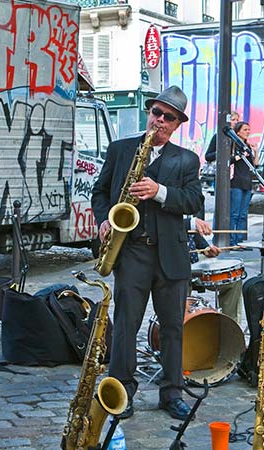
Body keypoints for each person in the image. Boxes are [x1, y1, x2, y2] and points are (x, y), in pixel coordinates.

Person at [91, 86, 204, 421]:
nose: (161, 121)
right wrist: (102, 220)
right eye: (157, 113)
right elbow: (100, 191)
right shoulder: (121, 149)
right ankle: (121, 392)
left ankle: (172, 393)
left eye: (169, 118)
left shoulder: (186, 159)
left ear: (177, 124)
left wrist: (159, 192)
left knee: (173, 328)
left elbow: (193, 201)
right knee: (126, 325)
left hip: (171, 255)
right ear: (149, 112)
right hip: (133, 252)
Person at [187, 217, 244, 324]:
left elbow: (192, 234)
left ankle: (229, 327)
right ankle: (185, 326)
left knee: (232, 278)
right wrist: (190, 223)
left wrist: (206, 248)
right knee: (180, 282)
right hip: (175, 262)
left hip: (194, 260)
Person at [227, 121, 258, 247]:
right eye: (245, 129)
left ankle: (240, 240)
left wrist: (255, 151)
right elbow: (228, 160)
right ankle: (232, 240)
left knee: (243, 214)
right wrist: (238, 157)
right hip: (236, 181)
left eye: (249, 129)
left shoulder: (247, 146)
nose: (248, 132)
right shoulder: (233, 145)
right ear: (238, 131)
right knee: (234, 213)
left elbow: (255, 164)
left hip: (247, 181)